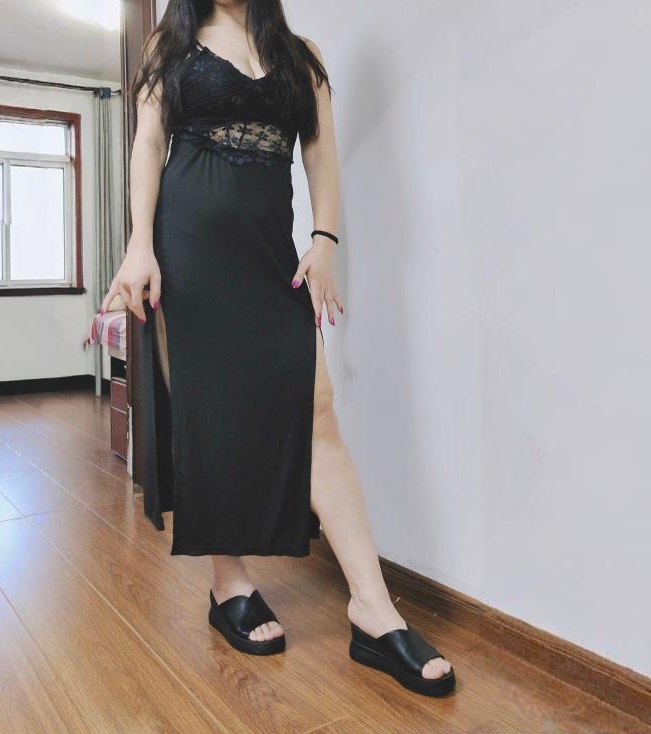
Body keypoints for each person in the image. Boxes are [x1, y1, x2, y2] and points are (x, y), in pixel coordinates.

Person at [99, 0, 455, 696]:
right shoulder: (168, 45)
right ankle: (228, 582)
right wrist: (140, 245)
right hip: (190, 254)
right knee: (211, 417)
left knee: (315, 411)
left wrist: (324, 239)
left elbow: (319, 151)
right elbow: (148, 143)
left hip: (269, 256)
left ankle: (373, 609)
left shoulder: (301, 54)